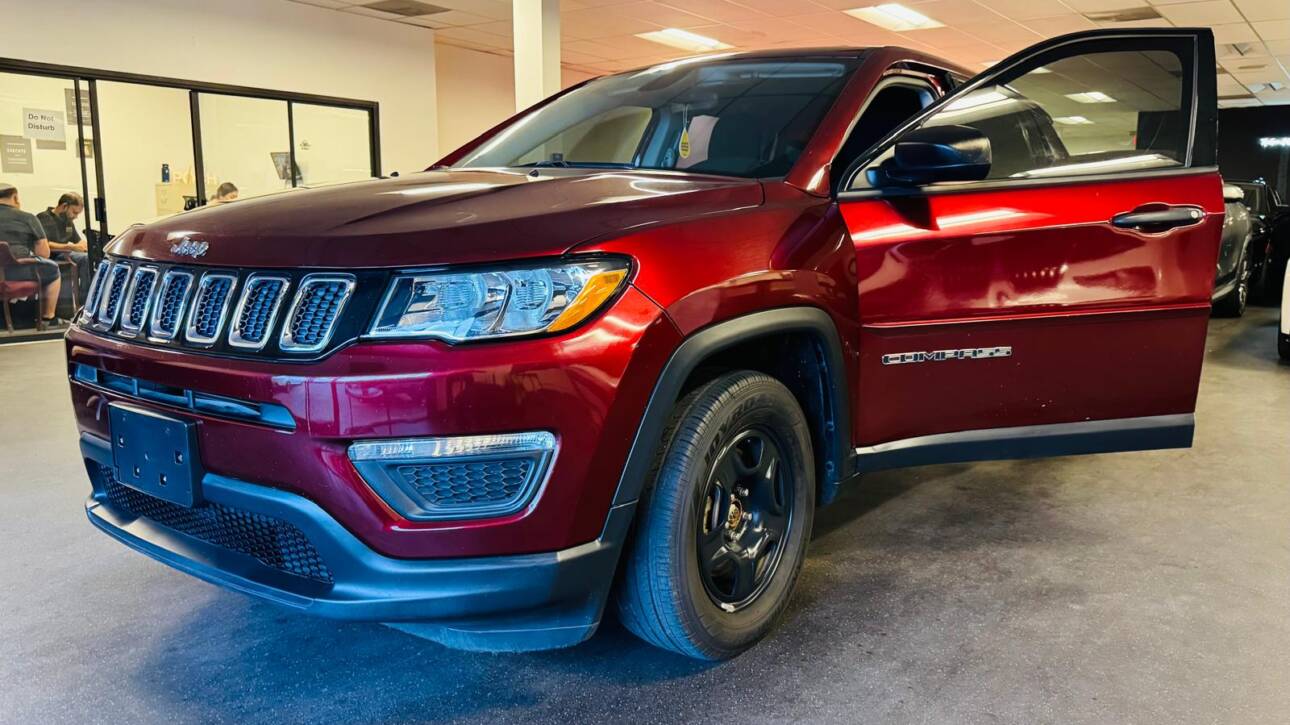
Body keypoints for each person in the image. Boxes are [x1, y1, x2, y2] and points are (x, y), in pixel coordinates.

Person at [0, 183, 64, 327]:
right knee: (53, 269)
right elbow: (44, 253)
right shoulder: (27, 218)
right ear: (15, 198)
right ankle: (48, 317)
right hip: (19, 271)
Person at [36, 192, 90, 294]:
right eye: (74, 212)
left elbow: (78, 241)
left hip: (65, 254)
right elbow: (45, 244)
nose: (76, 216)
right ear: (64, 206)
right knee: (86, 258)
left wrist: (88, 247)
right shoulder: (43, 218)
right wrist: (71, 247)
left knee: (91, 256)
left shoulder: (68, 222)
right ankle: (85, 296)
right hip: (51, 257)